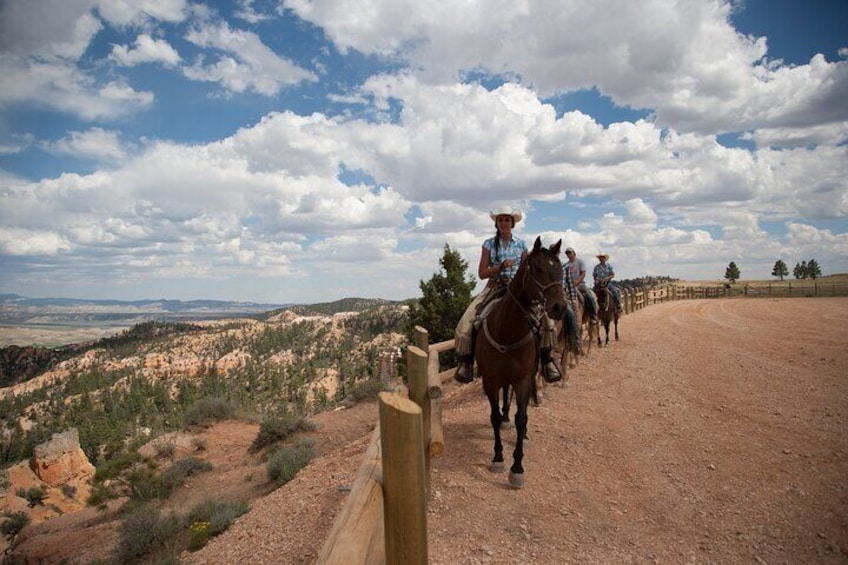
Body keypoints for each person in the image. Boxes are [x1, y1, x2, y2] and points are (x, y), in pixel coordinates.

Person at [454, 208, 561, 384]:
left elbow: (529, 269)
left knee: (547, 322)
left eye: (507, 220)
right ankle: (466, 362)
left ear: (512, 223)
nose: (504, 223)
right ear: (496, 223)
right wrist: (500, 267)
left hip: (518, 290)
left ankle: (547, 359)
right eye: (501, 220)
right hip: (495, 287)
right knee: (468, 319)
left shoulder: (521, 244)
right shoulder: (488, 244)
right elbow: (482, 273)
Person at [564, 247, 598, 323]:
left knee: (590, 296)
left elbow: (583, 273)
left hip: (580, 284)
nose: (568, 254)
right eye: (567, 253)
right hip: (569, 286)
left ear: (574, 253)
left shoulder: (580, 262)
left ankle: (593, 315)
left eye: (569, 253)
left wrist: (577, 281)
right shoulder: (566, 265)